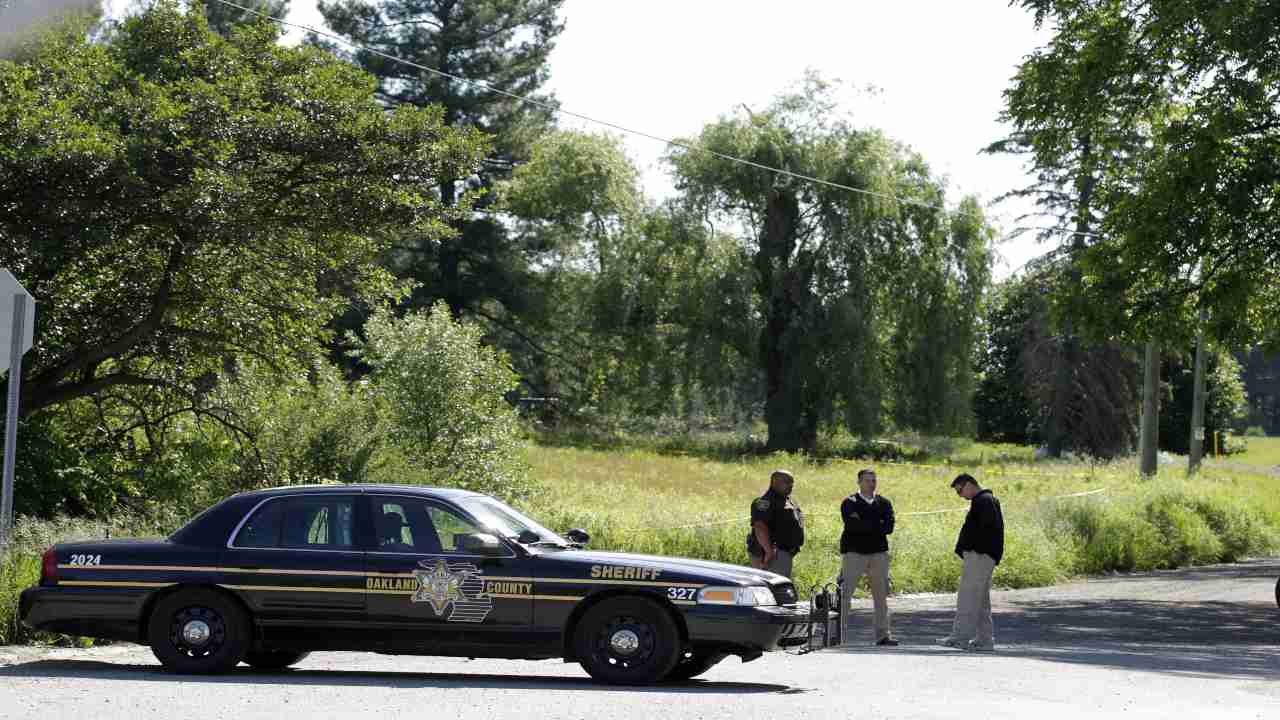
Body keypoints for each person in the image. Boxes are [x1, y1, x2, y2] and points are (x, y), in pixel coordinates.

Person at [938, 473, 1004, 651]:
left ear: (969, 485)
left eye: (960, 491)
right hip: (981, 556)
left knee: (967, 598)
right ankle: (985, 639)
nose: (960, 496)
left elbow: (986, 531)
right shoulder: (985, 500)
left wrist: (971, 548)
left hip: (979, 557)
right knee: (980, 600)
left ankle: (960, 638)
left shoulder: (984, 500)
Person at [839, 468, 898, 646]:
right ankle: (837, 634)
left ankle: (883, 635)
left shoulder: (884, 503)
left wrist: (866, 522)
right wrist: (876, 523)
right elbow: (853, 526)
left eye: (873, 480)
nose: (871, 484)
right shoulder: (849, 502)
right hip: (854, 553)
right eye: (867, 480)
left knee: (881, 596)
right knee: (844, 595)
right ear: (859, 482)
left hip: (878, 553)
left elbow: (888, 527)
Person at [746, 469, 805, 578]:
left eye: (792, 483)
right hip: (772, 554)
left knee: (779, 587)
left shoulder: (787, 500)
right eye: (786, 482)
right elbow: (759, 527)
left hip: (784, 553)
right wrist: (769, 551)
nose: (790, 486)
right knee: (773, 588)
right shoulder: (765, 502)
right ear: (775, 482)